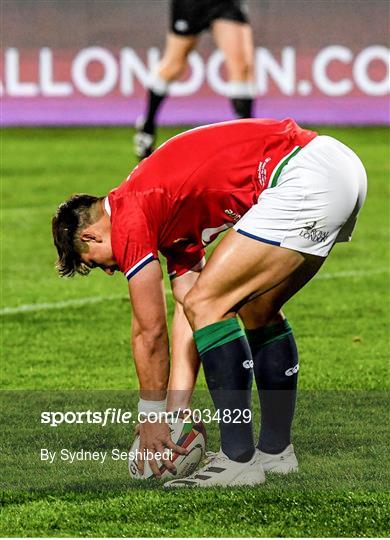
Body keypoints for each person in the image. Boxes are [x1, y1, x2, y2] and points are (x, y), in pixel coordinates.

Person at [52, 118, 367, 487]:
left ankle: (238, 461)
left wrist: (150, 416)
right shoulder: (160, 215)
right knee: (255, 309)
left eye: (93, 262)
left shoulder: (129, 213)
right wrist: (174, 413)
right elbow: (191, 312)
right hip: (337, 167)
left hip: (304, 176)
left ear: (91, 234)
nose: (108, 271)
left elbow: (149, 332)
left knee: (210, 303)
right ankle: (275, 453)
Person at [134, 0, 255, 160]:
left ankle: (246, 141)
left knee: (242, 67)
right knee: (174, 65)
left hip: (226, 5)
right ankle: (147, 127)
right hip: (191, 4)